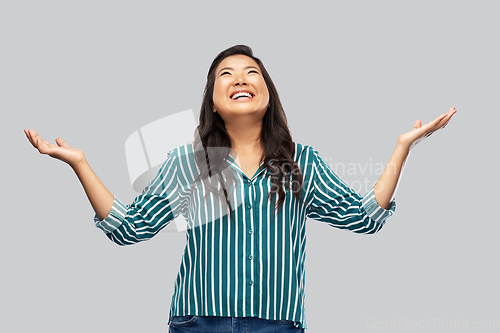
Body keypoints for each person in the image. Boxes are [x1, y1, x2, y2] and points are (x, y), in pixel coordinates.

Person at [24, 44, 456, 333]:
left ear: (267, 94)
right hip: (198, 322)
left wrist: (402, 148)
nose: (240, 78)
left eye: (252, 72)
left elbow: (363, 218)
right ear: (213, 100)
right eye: (226, 74)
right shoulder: (188, 163)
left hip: (277, 323)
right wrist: (80, 164)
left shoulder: (300, 161)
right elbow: (129, 227)